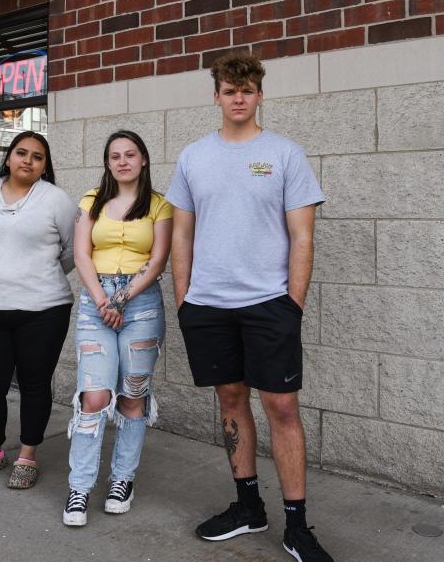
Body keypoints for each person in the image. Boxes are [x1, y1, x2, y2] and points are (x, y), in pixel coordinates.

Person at [166, 52, 332, 562]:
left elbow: (302, 236)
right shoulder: (194, 157)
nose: (239, 98)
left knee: (281, 406)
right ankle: (247, 507)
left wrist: (292, 305)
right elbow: (182, 233)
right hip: (208, 305)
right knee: (230, 399)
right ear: (215, 96)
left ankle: (297, 525)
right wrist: (185, 300)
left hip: (268, 303)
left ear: (260, 95)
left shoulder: (285, 154)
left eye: (248, 90)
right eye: (229, 90)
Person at [62, 130, 172, 527]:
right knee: (94, 396)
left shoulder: (159, 205)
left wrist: (122, 299)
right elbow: (80, 253)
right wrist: (104, 300)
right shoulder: (91, 201)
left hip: (141, 304)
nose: (122, 161)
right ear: (107, 162)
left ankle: (121, 480)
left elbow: (158, 260)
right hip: (96, 303)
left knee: (132, 396)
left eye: (130, 154)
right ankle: (79, 487)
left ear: (143, 159)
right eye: (114, 156)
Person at [0, 130, 77, 489]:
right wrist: (8, 272)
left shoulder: (56, 199)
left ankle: (27, 456)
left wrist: (37, 274)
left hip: (44, 309)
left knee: (34, 384)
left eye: (38, 156)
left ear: (45, 165)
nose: (28, 160)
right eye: (21, 152)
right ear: (9, 157)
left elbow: (73, 251)